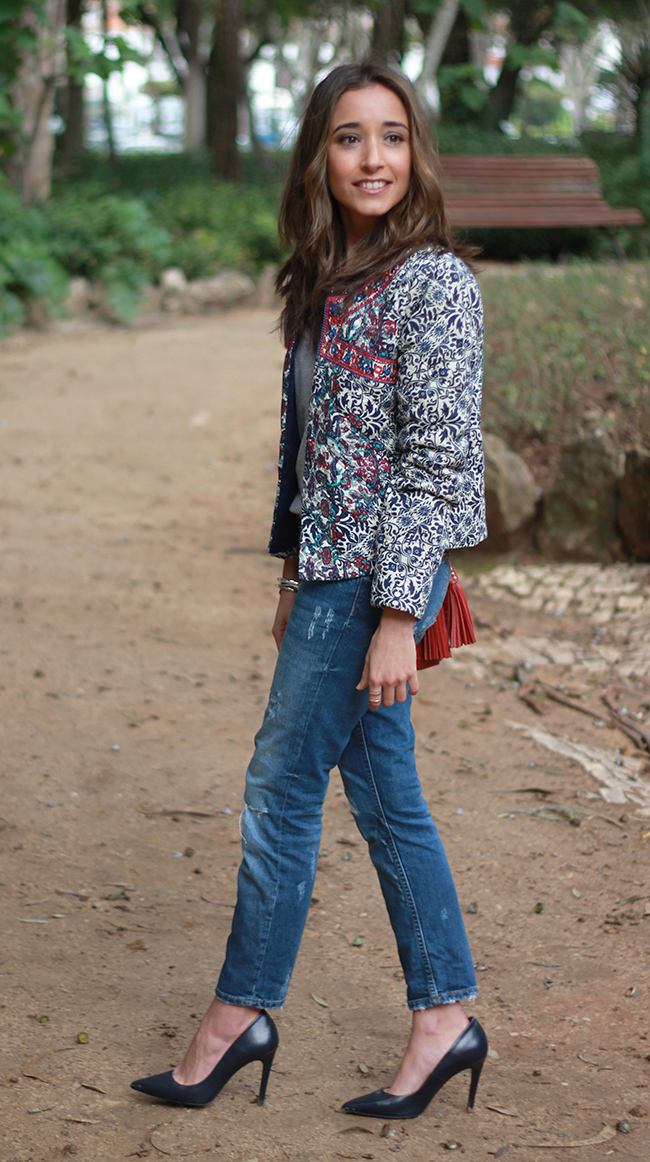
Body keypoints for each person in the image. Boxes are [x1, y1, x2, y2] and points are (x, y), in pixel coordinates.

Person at [131, 60, 488, 1121]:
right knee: (385, 797)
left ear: (416, 153)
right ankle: (444, 1018)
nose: (372, 158)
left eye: (392, 136)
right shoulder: (327, 280)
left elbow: (435, 465)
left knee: (279, 791)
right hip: (329, 574)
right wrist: (294, 566)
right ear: (318, 157)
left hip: (377, 581)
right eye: (348, 136)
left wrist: (395, 616)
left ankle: (235, 1019)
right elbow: (312, 451)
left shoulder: (433, 284)